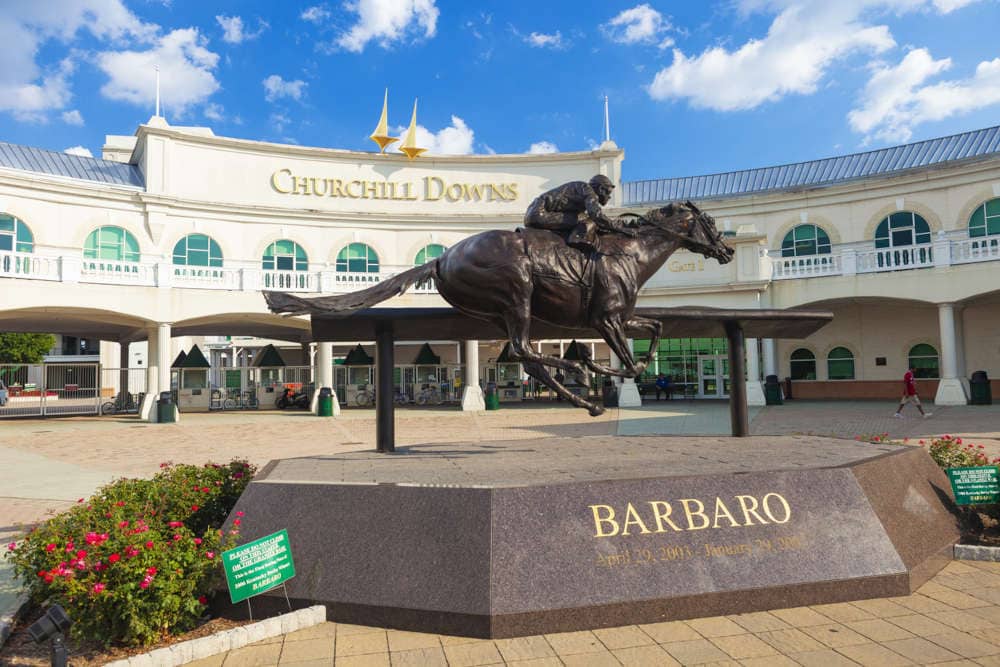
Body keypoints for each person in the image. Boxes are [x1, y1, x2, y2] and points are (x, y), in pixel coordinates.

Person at [523, 175, 636, 254]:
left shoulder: (581, 189)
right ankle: (577, 240)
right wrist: (620, 229)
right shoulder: (588, 190)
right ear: (601, 189)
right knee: (587, 220)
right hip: (539, 214)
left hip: (534, 213)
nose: (609, 197)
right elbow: (596, 215)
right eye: (608, 193)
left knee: (583, 217)